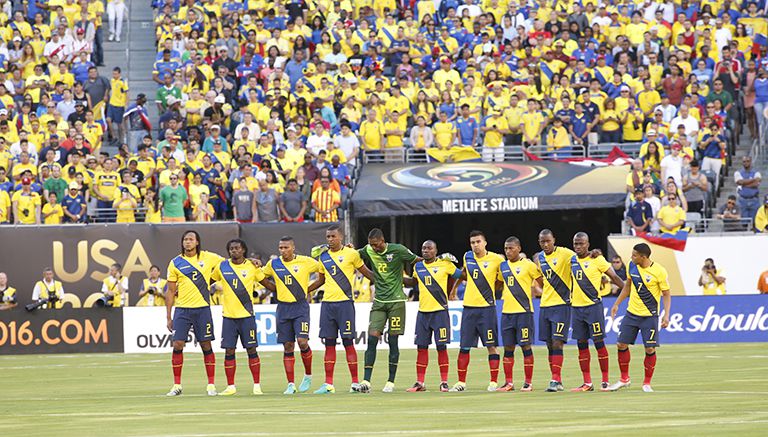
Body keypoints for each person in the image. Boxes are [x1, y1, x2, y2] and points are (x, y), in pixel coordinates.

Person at [312, 225, 375, 394]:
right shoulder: (323, 257)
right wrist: (305, 289)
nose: (330, 240)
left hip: (345, 304)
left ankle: (354, 383)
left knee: (348, 343)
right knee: (329, 344)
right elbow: (321, 280)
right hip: (327, 305)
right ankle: (328, 384)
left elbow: (367, 272)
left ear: (341, 237)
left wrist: (384, 282)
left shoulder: (351, 254)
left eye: (333, 236)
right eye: (328, 237)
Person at [357, 228, 419, 393]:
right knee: (372, 338)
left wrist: (432, 263)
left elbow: (417, 260)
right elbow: (355, 256)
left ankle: (390, 381)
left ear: (383, 240)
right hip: (379, 302)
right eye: (371, 245)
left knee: (393, 341)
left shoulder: (398, 250)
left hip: (397, 302)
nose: (374, 248)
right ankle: (366, 381)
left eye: (376, 245)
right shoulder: (368, 249)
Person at [211, 239, 274, 396]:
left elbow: (266, 283)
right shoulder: (222, 266)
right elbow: (208, 281)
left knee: (251, 350)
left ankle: (257, 386)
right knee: (229, 351)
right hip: (229, 317)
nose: (234, 251)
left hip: (247, 317)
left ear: (243, 250)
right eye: (231, 248)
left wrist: (286, 290)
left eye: (237, 248)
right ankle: (231, 386)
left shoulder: (252, 266)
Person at [165, 230, 224, 397]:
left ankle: (211, 385)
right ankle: (177, 385)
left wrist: (250, 262)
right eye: (185, 239)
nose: (187, 242)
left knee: (206, 345)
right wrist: (168, 317)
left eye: (191, 239)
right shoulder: (175, 263)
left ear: (197, 242)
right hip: (182, 310)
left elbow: (231, 263)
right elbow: (170, 292)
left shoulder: (208, 257)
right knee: (177, 344)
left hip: (202, 309)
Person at [261, 236, 323, 394]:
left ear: (293, 248)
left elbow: (323, 270)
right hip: (283, 308)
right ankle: (290, 384)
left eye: (286, 247)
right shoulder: (274, 264)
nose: (283, 251)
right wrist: (273, 288)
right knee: (288, 346)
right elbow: (261, 276)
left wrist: (309, 288)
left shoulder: (306, 262)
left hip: (300, 307)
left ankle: (308, 375)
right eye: (280, 248)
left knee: (302, 342)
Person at [608, 243, 672, 393]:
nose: (631, 257)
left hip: (649, 316)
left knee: (649, 348)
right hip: (631, 313)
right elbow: (628, 286)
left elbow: (667, 294)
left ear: (643, 257)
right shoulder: (632, 266)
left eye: (634, 255)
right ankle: (624, 379)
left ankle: (647, 383)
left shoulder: (659, 271)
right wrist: (617, 304)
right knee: (621, 344)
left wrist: (666, 315)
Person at [449, 230, 505, 392]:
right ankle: (461, 382)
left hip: (487, 309)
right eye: (472, 242)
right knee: (464, 347)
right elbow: (465, 273)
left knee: (491, 346)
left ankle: (493, 382)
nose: (475, 245)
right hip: (469, 308)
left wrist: (491, 291)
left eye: (478, 242)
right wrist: (454, 289)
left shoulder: (496, 259)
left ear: (485, 243)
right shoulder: (468, 256)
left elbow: (501, 280)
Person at [402, 240, 461, 393]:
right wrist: (395, 275)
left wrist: (451, 291)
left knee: (441, 347)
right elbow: (413, 282)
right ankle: (420, 383)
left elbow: (460, 276)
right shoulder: (418, 267)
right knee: (421, 348)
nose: (426, 250)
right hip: (422, 313)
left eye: (429, 248)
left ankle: (444, 382)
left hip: (440, 312)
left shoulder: (445, 264)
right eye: (423, 248)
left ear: (436, 251)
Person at [569, 232, 624, 392]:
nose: (578, 247)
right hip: (576, 308)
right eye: (575, 244)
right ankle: (587, 382)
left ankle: (605, 380)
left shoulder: (597, 259)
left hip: (593, 308)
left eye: (581, 243)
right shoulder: (571, 260)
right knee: (581, 344)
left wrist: (627, 291)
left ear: (588, 244)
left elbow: (614, 277)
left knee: (599, 343)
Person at [495, 237, 540, 392]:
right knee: (508, 348)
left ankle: (528, 382)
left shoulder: (529, 265)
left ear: (519, 248)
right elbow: (499, 284)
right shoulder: (503, 267)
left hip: (524, 313)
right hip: (507, 312)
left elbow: (543, 283)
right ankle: (508, 383)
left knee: (525, 346)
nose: (508, 251)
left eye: (511, 248)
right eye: (506, 248)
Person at [534, 229, 576, 392]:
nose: (545, 244)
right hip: (545, 305)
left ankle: (555, 379)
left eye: (548, 241)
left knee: (558, 341)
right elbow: (541, 279)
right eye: (542, 242)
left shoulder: (565, 253)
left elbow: (580, 259)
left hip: (562, 305)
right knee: (550, 344)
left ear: (554, 240)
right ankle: (557, 380)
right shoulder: (540, 258)